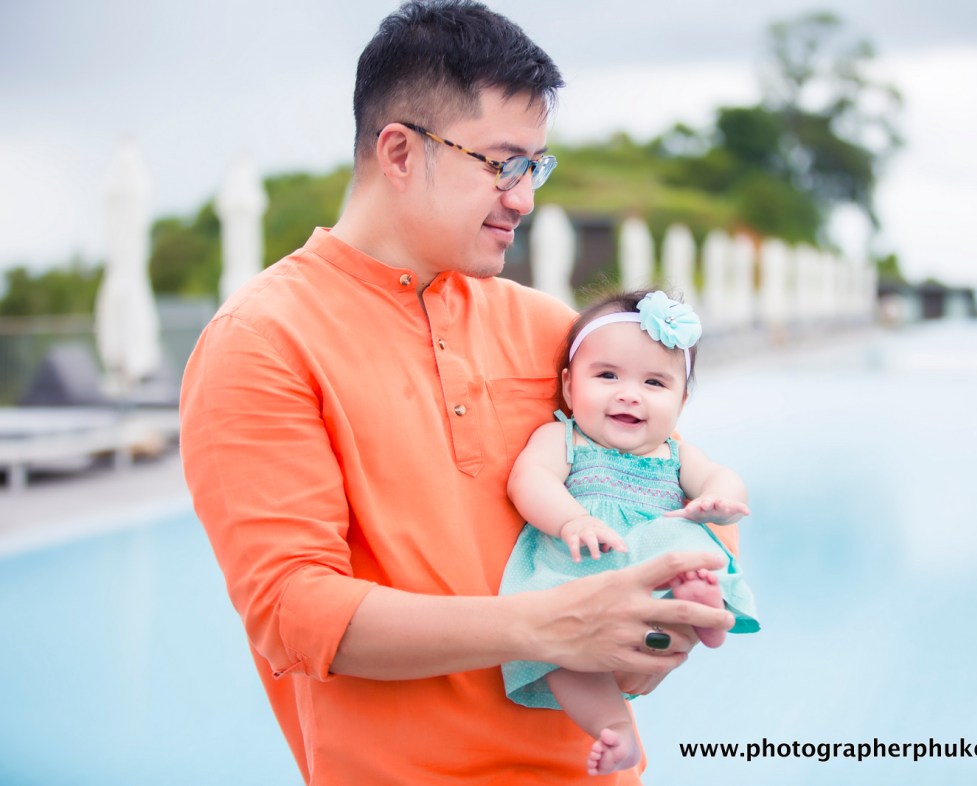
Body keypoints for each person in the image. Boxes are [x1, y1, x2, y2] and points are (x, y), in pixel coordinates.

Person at [178, 2, 737, 784]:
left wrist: (661, 626)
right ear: (400, 153)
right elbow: (292, 611)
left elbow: (666, 475)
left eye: (536, 166)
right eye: (502, 164)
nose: (524, 197)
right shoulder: (263, 341)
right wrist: (550, 625)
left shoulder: (557, 333)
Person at [499, 289, 760, 776]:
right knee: (555, 655)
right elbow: (529, 479)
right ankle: (615, 728)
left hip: (654, 560)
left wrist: (717, 501)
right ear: (569, 386)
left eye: (654, 382)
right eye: (607, 376)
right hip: (576, 569)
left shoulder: (676, 455)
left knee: (682, 541)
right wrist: (571, 519)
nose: (629, 394)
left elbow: (721, 477)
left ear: (681, 402)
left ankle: (699, 607)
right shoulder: (563, 438)